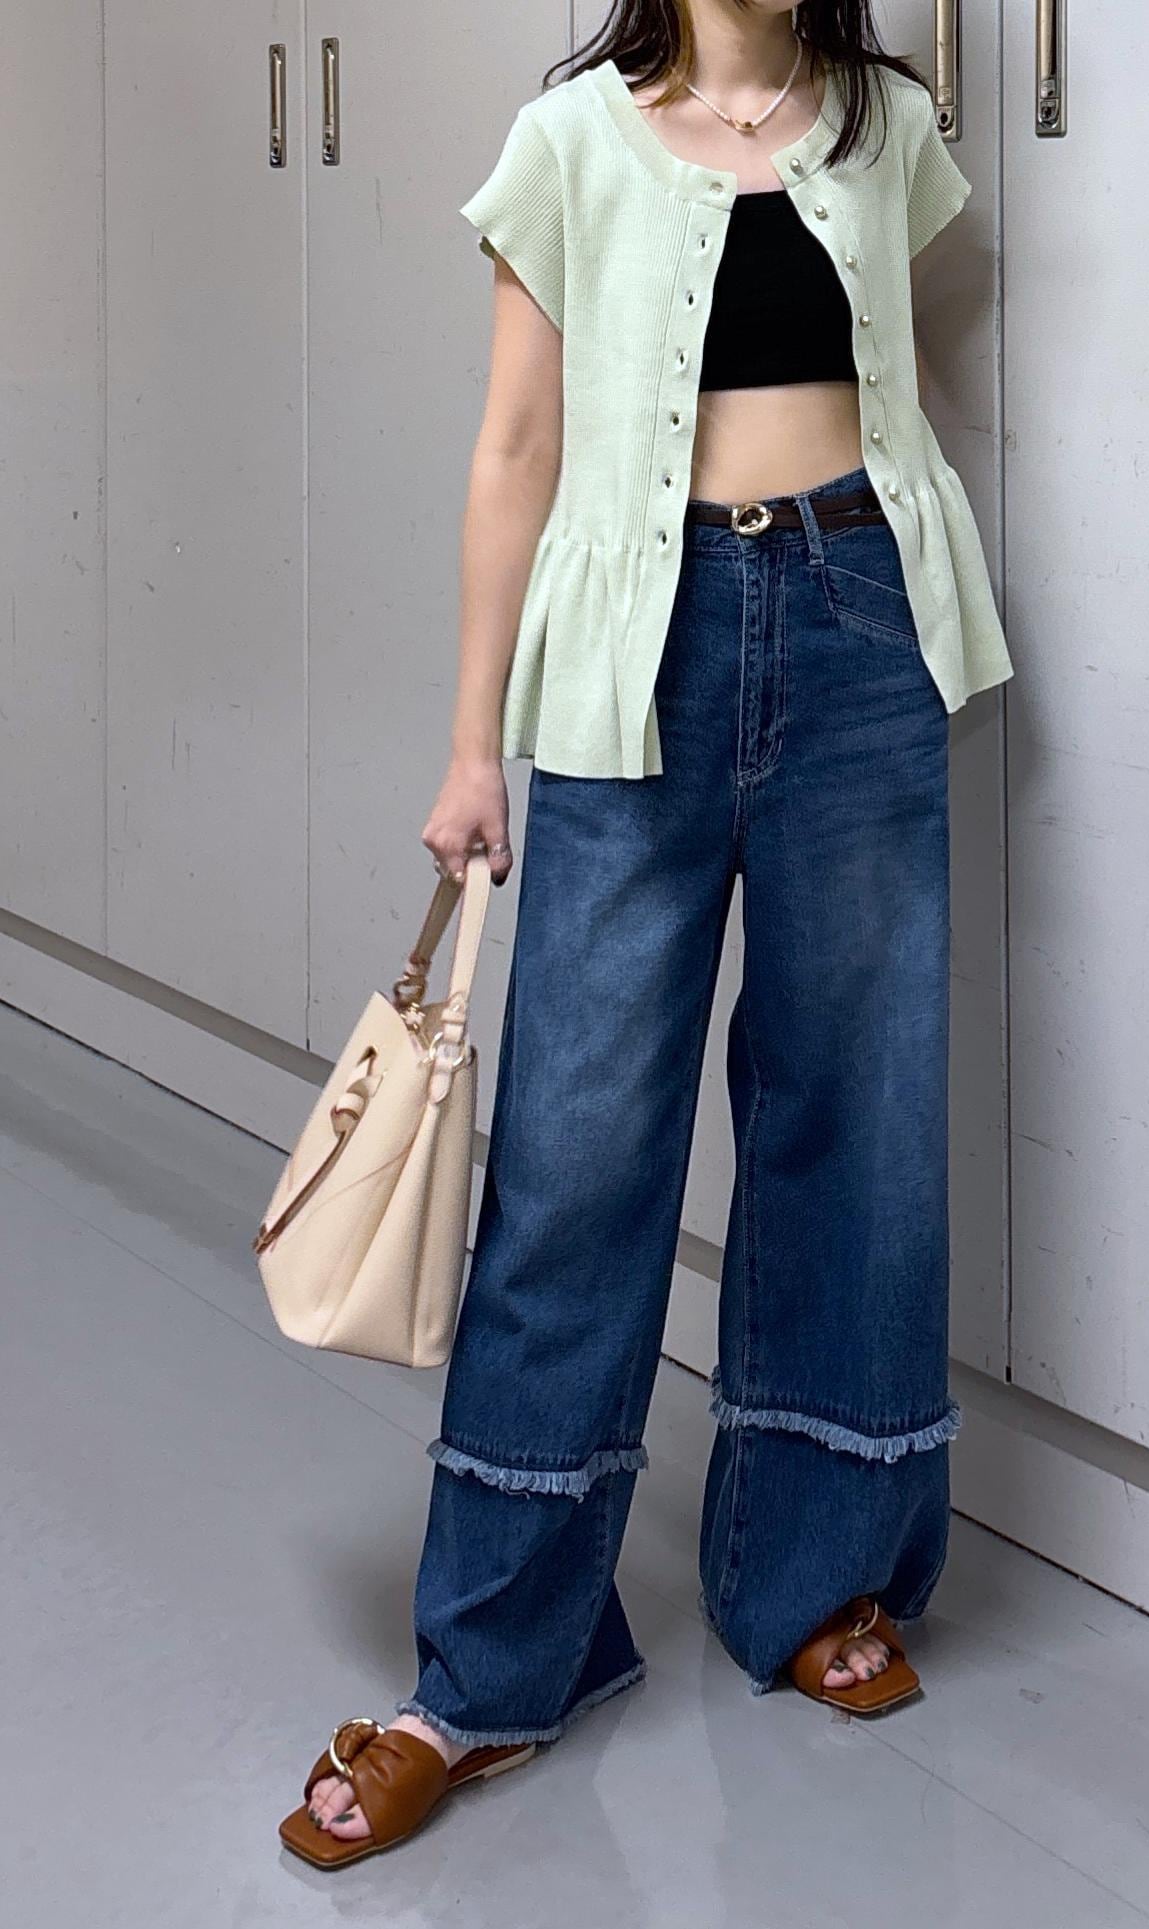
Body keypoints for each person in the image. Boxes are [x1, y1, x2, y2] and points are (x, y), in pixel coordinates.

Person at [279, 0, 1012, 1870]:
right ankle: (493, 1666)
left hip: (860, 621)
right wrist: (471, 744)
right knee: (578, 1152)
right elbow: (516, 446)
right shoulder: (573, 141)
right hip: (637, 646)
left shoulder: (883, 124)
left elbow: (910, 372)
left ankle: (818, 1575)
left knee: (857, 1120)